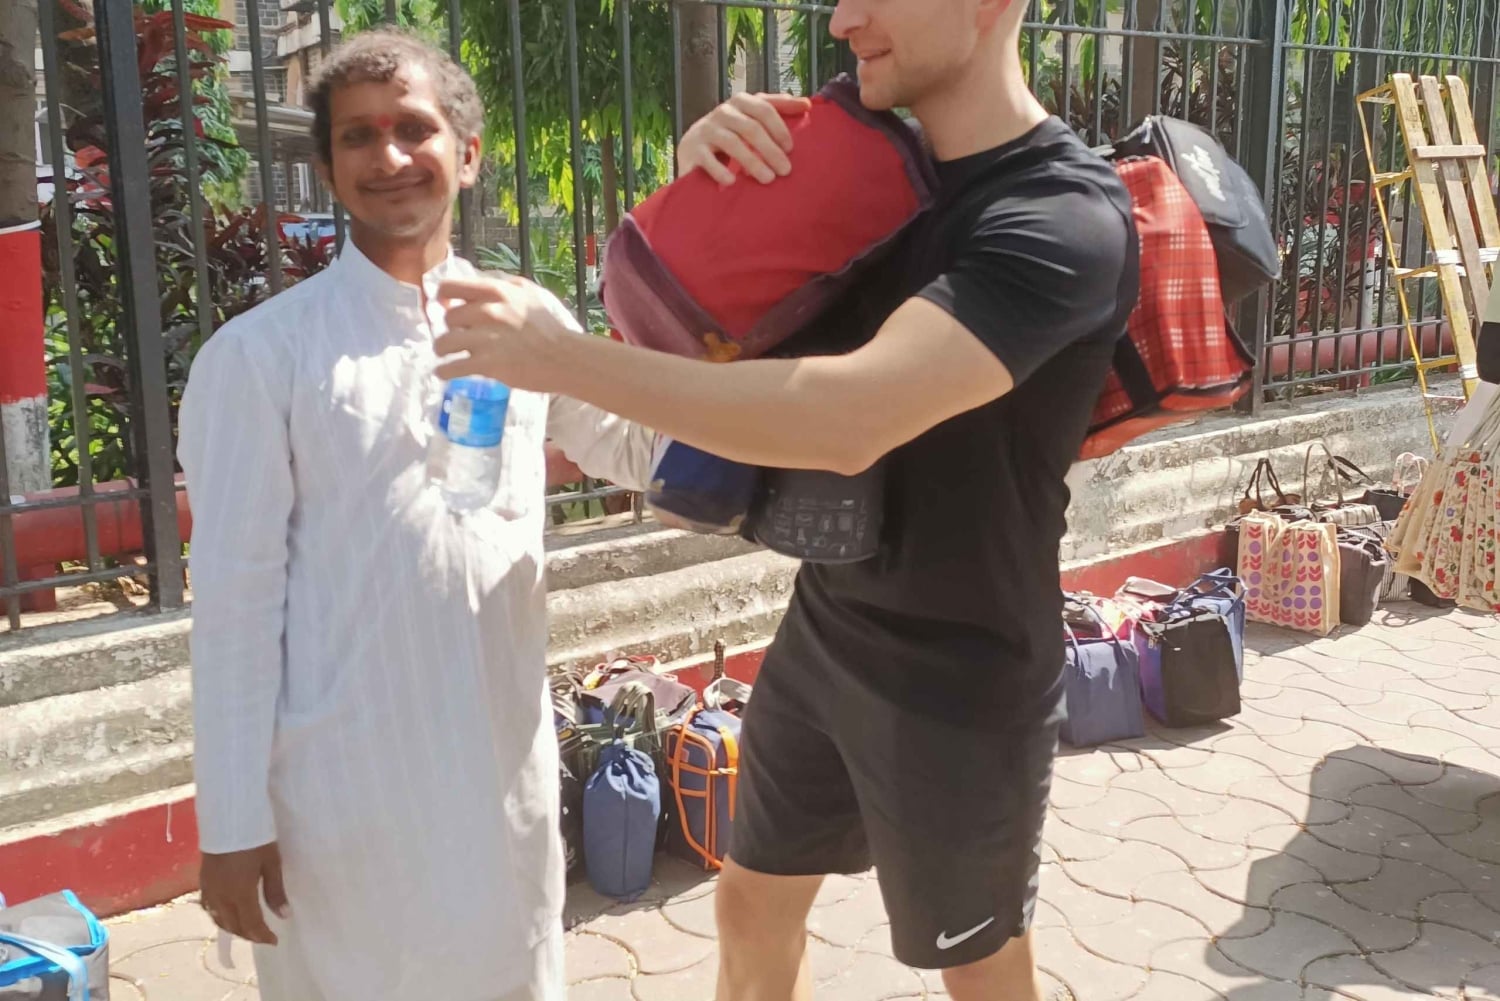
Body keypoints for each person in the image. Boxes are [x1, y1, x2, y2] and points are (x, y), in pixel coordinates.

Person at [433, 1, 1140, 998]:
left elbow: (846, 416)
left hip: (964, 663)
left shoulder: (1061, 220)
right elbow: (711, 328)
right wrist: (707, 180)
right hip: (832, 618)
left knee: (980, 970)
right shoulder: (867, 164)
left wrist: (558, 361)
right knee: (751, 902)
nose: (843, 19)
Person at [177, 28, 652, 1001]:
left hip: (500, 788)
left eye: (413, 128)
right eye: (358, 136)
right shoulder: (264, 356)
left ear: (468, 154)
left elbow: (638, 452)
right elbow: (231, 601)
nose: (388, 157)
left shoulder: (529, 321)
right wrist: (231, 822)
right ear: (327, 166)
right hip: (338, 806)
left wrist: (758, 363)